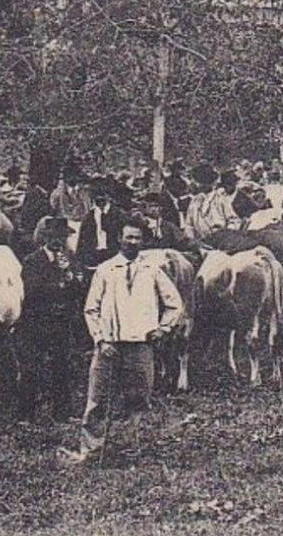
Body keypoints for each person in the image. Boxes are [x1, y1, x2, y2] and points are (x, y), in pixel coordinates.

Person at [61, 223, 185, 463]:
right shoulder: (106, 270)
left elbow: (174, 303)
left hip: (140, 346)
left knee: (137, 399)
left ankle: (130, 448)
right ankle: (91, 450)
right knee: (97, 399)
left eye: (137, 238)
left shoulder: (152, 269)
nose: (132, 242)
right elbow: (91, 309)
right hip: (109, 346)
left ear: (143, 242)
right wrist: (100, 339)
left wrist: (163, 329)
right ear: (119, 239)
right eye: (128, 237)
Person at [21, 216, 79, 422]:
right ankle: (27, 414)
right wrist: (59, 281)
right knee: (32, 368)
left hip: (61, 321)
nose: (58, 241)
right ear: (45, 237)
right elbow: (32, 291)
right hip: (37, 321)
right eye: (54, 236)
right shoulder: (32, 261)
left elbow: (77, 292)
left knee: (62, 367)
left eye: (62, 237)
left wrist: (71, 278)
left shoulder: (68, 260)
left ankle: (63, 413)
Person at [75, 181, 122, 270]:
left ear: (108, 196)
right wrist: (80, 260)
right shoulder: (89, 217)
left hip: (113, 254)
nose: (100, 199)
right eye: (97, 196)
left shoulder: (119, 215)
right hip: (94, 256)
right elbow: (82, 239)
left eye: (103, 196)